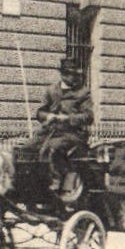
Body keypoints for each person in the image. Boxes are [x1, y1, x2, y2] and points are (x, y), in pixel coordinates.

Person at [32, 58, 94, 195]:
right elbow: (40, 112)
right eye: (71, 74)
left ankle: (56, 182)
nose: (74, 77)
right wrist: (47, 116)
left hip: (72, 134)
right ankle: (30, 183)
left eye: (76, 75)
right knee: (27, 148)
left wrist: (68, 119)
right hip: (50, 130)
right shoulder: (51, 90)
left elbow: (88, 116)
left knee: (53, 148)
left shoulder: (83, 93)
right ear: (63, 75)